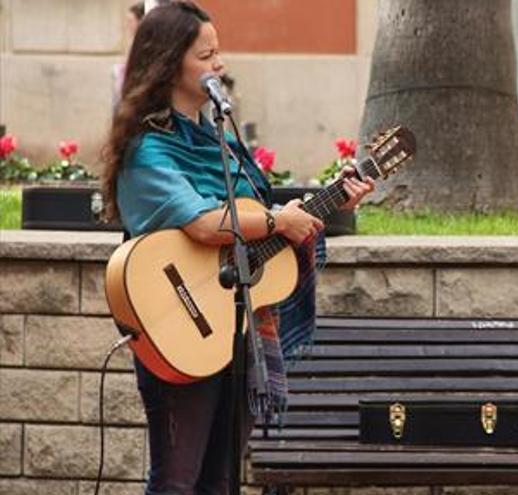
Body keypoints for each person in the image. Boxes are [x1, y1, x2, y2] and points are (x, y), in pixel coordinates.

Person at [100, 2, 374, 493]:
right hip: (177, 324)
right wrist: (277, 219)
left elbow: (252, 217)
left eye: (218, 52)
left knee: (224, 477)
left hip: (237, 324)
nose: (219, 65)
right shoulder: (148, 149)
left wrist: (331, 198)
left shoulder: (216, 140)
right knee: (176, 479)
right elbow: (205, 224)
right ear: (168, 62)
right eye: (206, 55)